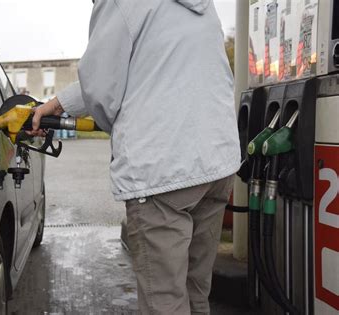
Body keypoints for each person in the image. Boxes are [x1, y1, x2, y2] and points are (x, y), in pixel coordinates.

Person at [30, 0, 240, 314]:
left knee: (165, 301)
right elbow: (156, 64)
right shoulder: (202, 5)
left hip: (163, 171)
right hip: (216, 162)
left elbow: (102, 91)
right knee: (195, 292)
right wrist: (61, 102)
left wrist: (119, 123)